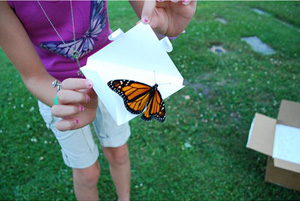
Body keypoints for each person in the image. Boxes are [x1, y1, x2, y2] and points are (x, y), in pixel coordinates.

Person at [0, 0, 196, 200]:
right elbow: (33, 76)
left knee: (119, 152)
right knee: (86, 173)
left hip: (111, 73)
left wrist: (166, 30)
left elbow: (152, 20)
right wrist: (59, 95)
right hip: (61, 90)